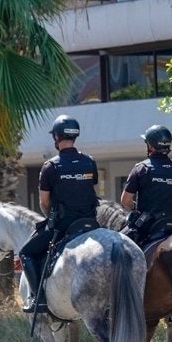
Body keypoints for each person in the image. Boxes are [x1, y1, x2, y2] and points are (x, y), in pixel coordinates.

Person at [18, 115, 100, 313]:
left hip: (64, 224)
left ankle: (38, 299)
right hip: (91, 223)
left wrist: (51, 218)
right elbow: (90, 190)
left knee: (26, 253)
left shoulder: (51, 166)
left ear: (56, 136)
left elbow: (44, 202)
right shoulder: (89, 162)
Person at [119, 124, 172, 246]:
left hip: (147, 228)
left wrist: (135, 207)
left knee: (120, 246)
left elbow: (125, 201)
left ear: (150, 145)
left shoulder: (141, 169)